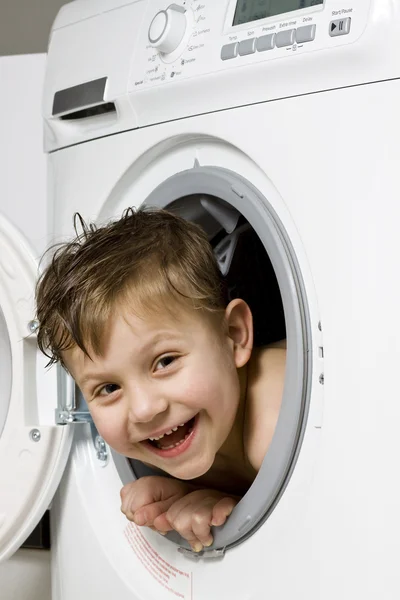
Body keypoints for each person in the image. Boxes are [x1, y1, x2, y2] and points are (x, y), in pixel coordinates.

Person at [35, 207, 286, 552]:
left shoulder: (278, 420)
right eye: (108, 388)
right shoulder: (193, 425)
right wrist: (200, 495)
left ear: (235, 335)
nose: (143, 409)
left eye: (164, 362)